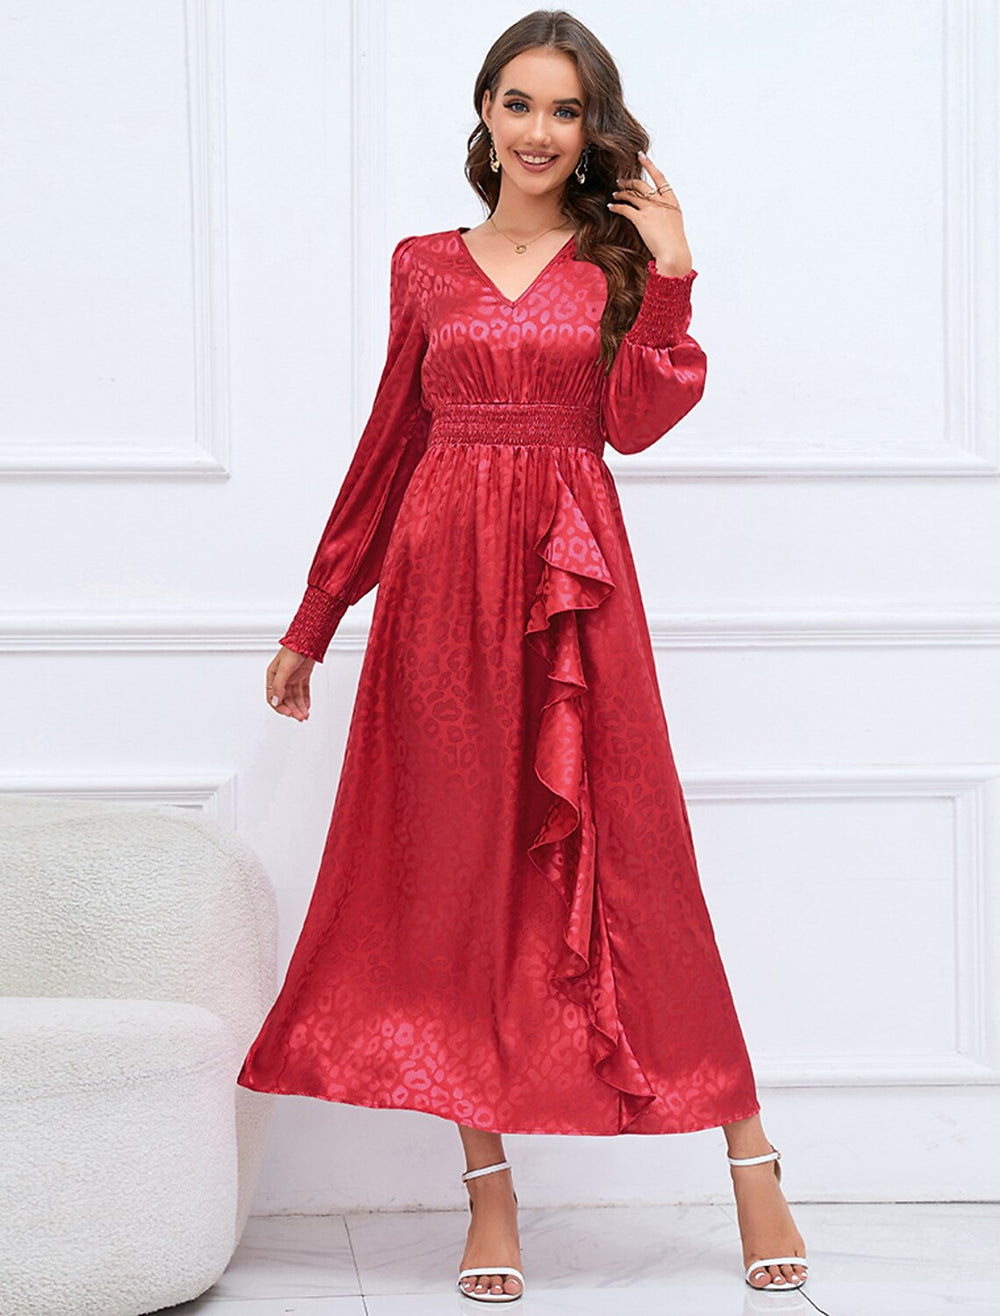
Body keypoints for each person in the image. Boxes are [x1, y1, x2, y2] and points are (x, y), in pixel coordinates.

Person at [237, 8, 809, 1305]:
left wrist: (674, 273)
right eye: (519, 102)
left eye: (565, 109)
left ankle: (749, 1153)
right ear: (484, 112)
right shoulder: (422, 266)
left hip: (571, 591)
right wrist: (316, 617)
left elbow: (638, 422)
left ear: (592, 126)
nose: (540, 130)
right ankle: (488, 1193)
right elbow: (390, 444)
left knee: (638, 865)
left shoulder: (615, 261)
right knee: (462, 887)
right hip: (437, 602)